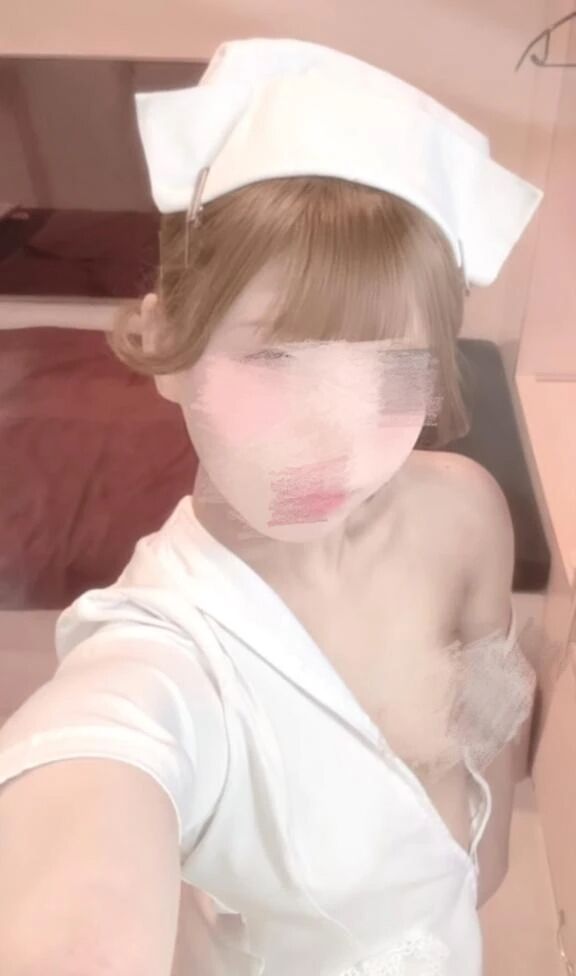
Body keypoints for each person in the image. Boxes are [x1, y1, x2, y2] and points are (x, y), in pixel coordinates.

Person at [0, 37, 542, 976]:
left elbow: (487, 715)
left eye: (390, 368)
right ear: (168, 342)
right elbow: (99, 773)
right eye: (276, 358)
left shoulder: (465, 512)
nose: (334, 437)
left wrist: (483, 859)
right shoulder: (163, 652)